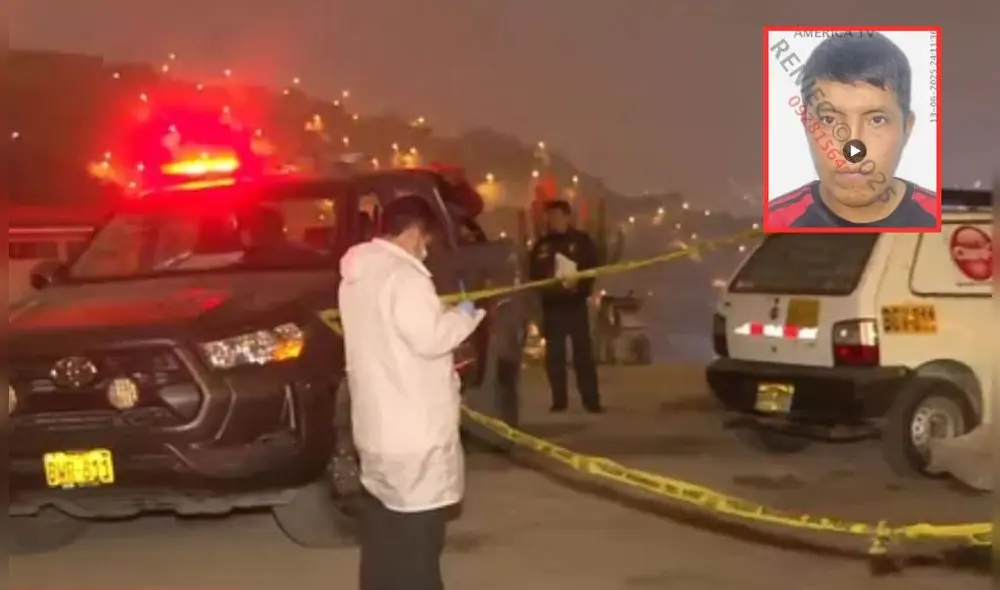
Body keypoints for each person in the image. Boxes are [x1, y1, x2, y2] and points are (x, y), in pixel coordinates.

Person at [338, 194, 486, 590]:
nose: (425, 250)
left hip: (376, 428)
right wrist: (464, 316)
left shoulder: (358, 275)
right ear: (414, 232)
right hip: (414, 434)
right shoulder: (404, 278)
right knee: (420, 544)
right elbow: (430, 337)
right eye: (426, 240)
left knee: (384, 536)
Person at [769, 32, 937, 229]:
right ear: (806, 124)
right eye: (829, 120)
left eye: (877, 120)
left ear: (906, 128)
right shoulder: (773, 223)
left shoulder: (946, 222)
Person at [529, 200, 603, 413]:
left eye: (557, 216)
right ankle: (559, 400)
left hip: (576, 305)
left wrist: (580, 288)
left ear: (567, 217)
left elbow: (592, 268)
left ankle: (591, 401)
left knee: (583, 355)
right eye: (549, 217)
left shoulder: (581, 241)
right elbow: (533, 273)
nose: (552, 221)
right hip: (552, 307)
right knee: (555, 357)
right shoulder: (542, 245)